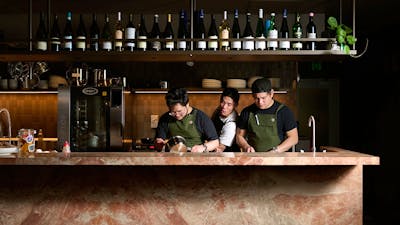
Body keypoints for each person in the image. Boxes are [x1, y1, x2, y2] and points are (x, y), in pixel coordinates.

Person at [236, 78, 298, 152]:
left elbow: (294, 138)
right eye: (256, 98)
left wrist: (276, 150)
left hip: (277, 159)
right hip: (254, 159)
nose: (260, 102)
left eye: (263, 98)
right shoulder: (247, 112)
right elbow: (239, 136)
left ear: (271, 93)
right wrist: (246, 147)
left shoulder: (284, 111)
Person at [155, 87, 219, 153]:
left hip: (196, 158)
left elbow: (215, 142)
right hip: (172, 158)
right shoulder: (165, 118)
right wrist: (159, 144)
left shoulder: (200, 117)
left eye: (179, 111)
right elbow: (159, 141)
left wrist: (203, 147)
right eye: (173, 112)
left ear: (187, 104)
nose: (177, 115)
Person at [211, 88, 240, 152]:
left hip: (227, 156)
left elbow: (220, 148)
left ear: (235, 105)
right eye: (222, 102)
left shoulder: (231, 125)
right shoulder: (219, 110)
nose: (224, 107)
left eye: (229, 104)